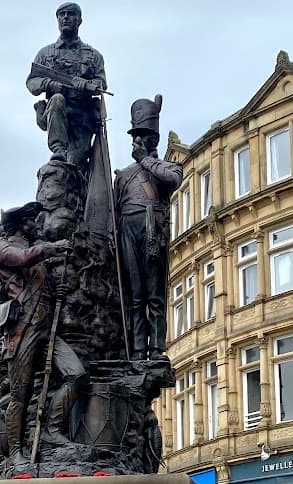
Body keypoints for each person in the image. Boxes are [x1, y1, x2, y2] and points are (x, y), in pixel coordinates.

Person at [0, 201, 86, 467]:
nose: (36, 224)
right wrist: (52, 248)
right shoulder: (2, 248)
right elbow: (22, 259)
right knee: (20, 395)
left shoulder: (34, 252)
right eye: (31, 220)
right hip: (22, 329)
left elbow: (42, 283)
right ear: (20, 223)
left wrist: (59, 293)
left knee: (76, 374)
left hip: (46, 328)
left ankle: (53, 430)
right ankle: (16, 451)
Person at [114, 96, 183, 360]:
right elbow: (115, 207)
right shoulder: (123, 174)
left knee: (155, 296)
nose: (139, 140)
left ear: (154, 139)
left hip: (153, 228)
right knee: (134, 296)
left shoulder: (166, 166)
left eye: (144, 135)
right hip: (127, 232)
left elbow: (172, 179)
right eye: (136, 136)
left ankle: (156, 349)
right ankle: (137, 348)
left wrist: (145, 160)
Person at [26, 2, 107, 167]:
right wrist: (49, 84)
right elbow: (32, 81)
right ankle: (58, 148)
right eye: (61, 15)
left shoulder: (93, 55)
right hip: (57, 113)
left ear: (79, 20)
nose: (66, 18)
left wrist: (86, 84)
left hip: (82, 116)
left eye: (70, 14)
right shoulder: (45, 53)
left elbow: (102, 84)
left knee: (77, 166)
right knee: (57, 99)